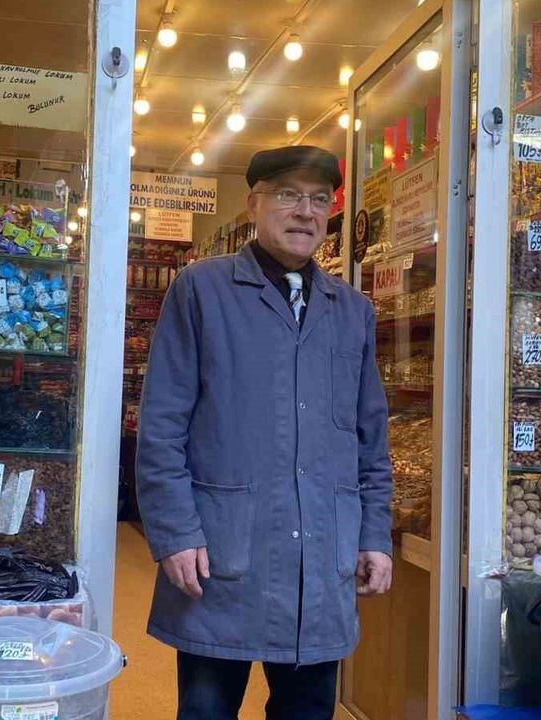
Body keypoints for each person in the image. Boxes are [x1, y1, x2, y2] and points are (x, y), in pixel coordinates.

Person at [136, 145, 394, 720]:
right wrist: (175, 533)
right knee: (207, 708)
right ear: (254, 204)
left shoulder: (352, 311)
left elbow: (370, 439)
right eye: (288, 195)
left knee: (307, 710)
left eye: (319, 200)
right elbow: (162, 427)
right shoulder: (201, 290)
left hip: (321, 556)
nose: (305, 211)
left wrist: (375, 535)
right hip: (222, 552)